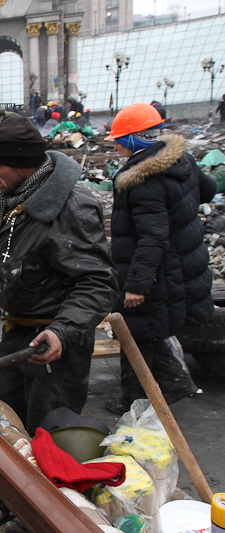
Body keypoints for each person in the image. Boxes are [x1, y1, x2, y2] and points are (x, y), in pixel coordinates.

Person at [0, 115, 118, 434]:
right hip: (17, 335)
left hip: (55, 346)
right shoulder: (10, 201)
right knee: (10, 419)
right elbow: (4, 256)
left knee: (49, 431)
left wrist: (63, 331)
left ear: (23, 165)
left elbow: (97, 282)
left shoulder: (71, 208)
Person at [105, 103, 216, 415]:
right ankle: (174, 382)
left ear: (135, 139)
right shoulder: (182, 159)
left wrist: (136, 286)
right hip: (180, 264)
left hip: (157, 272)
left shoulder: (142, 180)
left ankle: (135, 401)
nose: (115, 144)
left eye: (120, 139)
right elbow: (208, 190)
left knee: (135, 333)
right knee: (151, 330)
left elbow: (152, 237)